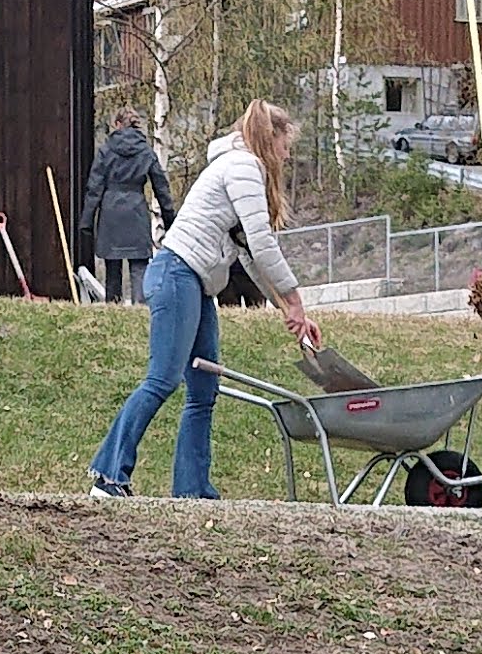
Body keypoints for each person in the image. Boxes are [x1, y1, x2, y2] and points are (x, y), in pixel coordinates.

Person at [91, 101, 315, 500]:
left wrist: (288, 309)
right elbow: (263, 245)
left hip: (195, 283)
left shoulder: (238, 167)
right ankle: (108, 477)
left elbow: (248, 253)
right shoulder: (244, 167)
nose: (286, 154)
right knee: (162, 379)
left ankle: (192, 490)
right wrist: (295, 299)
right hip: (177, 274)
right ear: (271, 137)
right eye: (285, 144)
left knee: (203, 391)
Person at [84, 114, 172, 299]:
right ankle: (140, 311)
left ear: (117, 124)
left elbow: (94, 187)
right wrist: (170, 219)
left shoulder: (106, 150)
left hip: (110, 212)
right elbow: (161, 188)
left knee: (113, 270)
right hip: (136, 211)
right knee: (139, 267)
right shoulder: (146, 151)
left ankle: (113, 309)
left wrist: (87, 221)